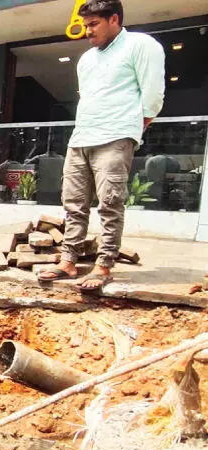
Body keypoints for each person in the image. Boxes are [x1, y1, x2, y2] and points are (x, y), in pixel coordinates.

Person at [38, 0, 165, 292]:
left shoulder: (141, 45)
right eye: (85, 25)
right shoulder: (86, 59)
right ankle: (68, 261)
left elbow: (153, 92)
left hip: (115, 136)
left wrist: (133, 127)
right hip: (82, 137)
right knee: (73, 203)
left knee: (110, 203)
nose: (87, 31)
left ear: (114, 20)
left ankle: (104, 266)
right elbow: (88, 98)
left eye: (94, 24)